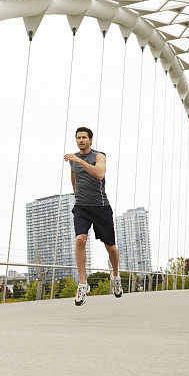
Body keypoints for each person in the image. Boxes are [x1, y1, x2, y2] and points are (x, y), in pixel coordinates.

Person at [63, 126, 122, 306]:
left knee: (110, 248)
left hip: (101, 207)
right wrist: (77, 195)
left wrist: (78, 161)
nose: (80, 140)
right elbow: (73, 179)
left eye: (84, 137)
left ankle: (116, 276)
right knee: (80, 239)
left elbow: (99, 174)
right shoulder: (73, 160)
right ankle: (82, 284)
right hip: (81, 207)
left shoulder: (99, 156)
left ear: (90, 140)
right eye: (78, 138)